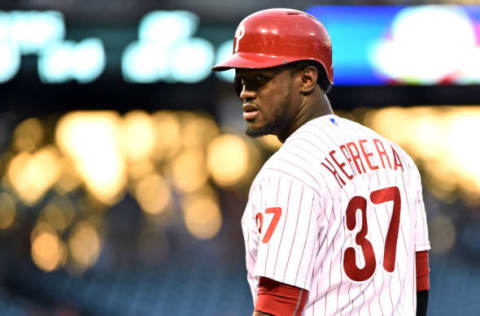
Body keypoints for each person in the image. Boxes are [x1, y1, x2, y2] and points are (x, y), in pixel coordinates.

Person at [212, 8, 430, 316]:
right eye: (241, 81)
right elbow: (418, 283)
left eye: (259, 78)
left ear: (306, 78)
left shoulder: (287, 172)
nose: (246, 93)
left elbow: (279, 304)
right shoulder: (396, 157)